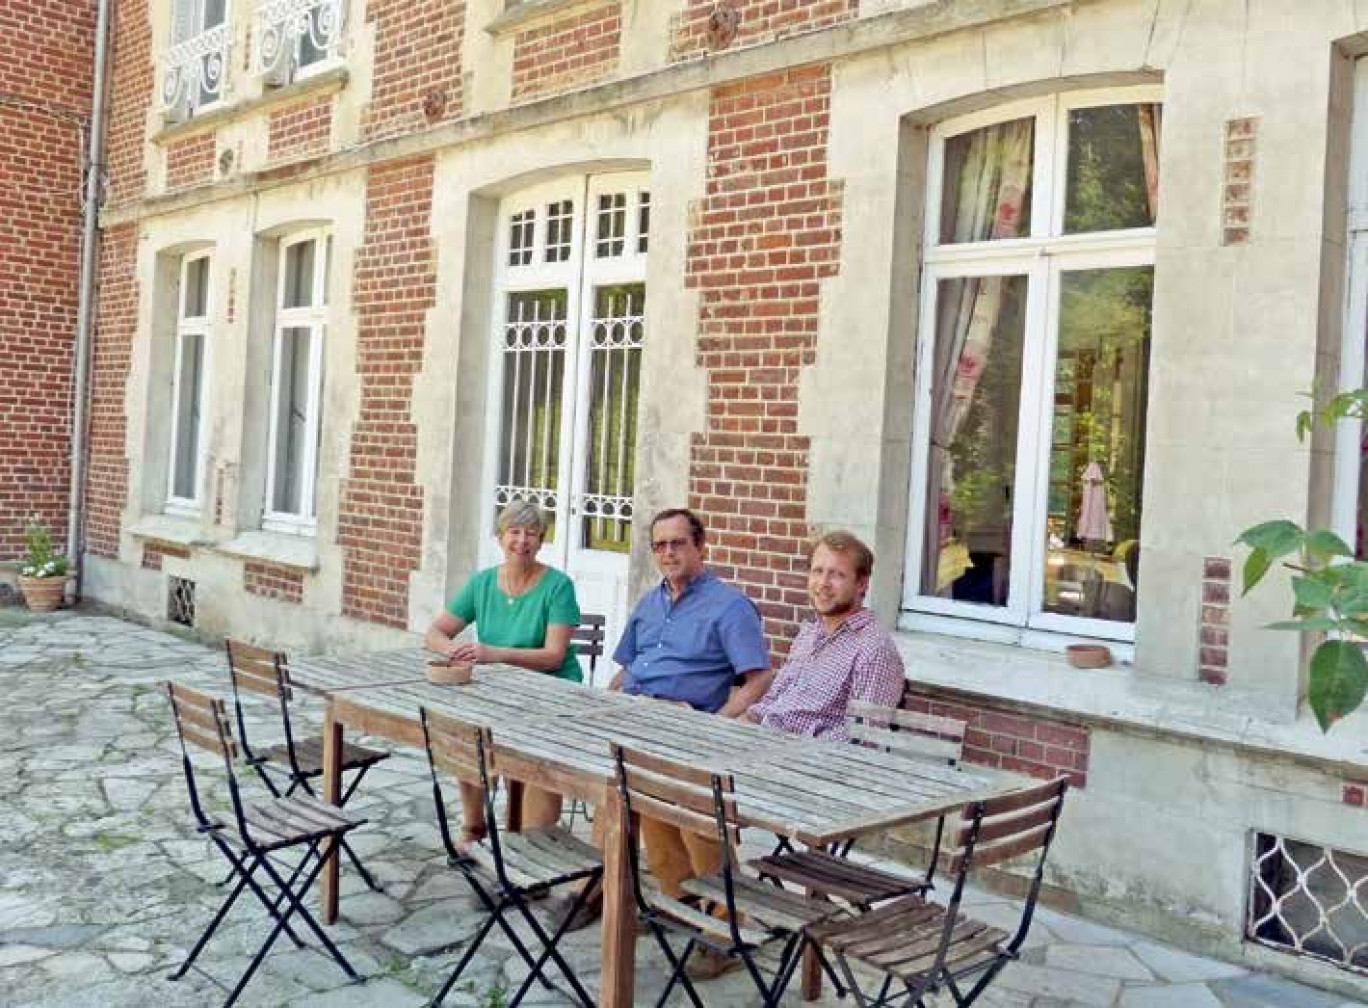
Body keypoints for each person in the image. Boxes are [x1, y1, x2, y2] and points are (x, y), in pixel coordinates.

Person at [604, 507, 770, 977]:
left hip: (687, 728)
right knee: (632, 805)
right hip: (635, 719)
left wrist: (714, 724)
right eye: (660, 545)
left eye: (678, 543)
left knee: (697, 818)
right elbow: (627, 666)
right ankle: (677, 902)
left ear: (701, 546)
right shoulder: (649, 602)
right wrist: (602, 706)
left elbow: (758, 679)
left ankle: (726, 929)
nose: (669, 553)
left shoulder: (729, 605)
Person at [424, 500, 581, 848]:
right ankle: (474, 827)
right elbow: (435, 633)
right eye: (514, 531)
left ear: (541, 541)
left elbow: (554, 656)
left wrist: (493, 654)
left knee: (534, 753)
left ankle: (530, 844)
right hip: (498, 691)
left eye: (531, 533)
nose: (522, 540)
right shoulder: (482, 583)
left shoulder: (558, 586)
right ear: (499, 537)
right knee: (466, 735)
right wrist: (455, 652)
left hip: (553, 693)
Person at [742, 530, 905, 737]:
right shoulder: (810, 631)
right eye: (818, 571)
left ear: (861, 584)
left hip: (805, 761)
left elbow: (862, 739)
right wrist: (743, 724)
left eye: (837, 574)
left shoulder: (875, 650)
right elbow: (772, 700)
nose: (823, 583)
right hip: (762, 743)